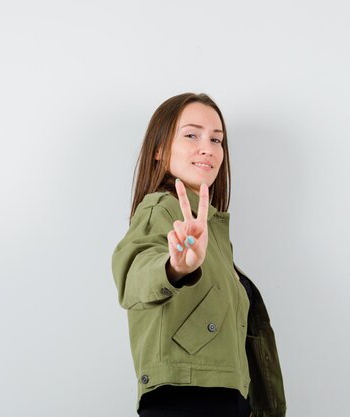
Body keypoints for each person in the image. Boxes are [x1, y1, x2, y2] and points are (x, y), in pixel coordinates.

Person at [111, 93, 286, 417]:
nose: (208, 147)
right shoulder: (160, 210)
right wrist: (174, 267)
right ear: (158, 150)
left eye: (217, 139)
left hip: (222, 399)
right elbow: (135, 275)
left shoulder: (209, 232)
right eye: (191, 134)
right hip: (186, 399)